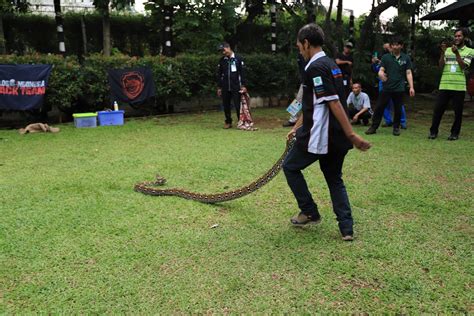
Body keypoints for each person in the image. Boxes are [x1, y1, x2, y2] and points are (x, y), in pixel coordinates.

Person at [283, 23, 371, 242]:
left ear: (306, 43)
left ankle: (309, 211)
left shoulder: (315, 68)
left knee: (290, 167)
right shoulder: (331, 64)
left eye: (299, 47)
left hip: (321, 136)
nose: (299, 51)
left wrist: (352, 134)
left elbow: (334, 104)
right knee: (334, 178)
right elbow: (315, 104)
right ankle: (346, 228)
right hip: (335, 137)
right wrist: (296, 127)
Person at [429, 28, 474, 141]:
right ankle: (433, 132)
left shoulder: (470, 51)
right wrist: (443, 52)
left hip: (459, 86)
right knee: (438, 110)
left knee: (457, 112)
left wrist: (457, 54)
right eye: (455, 36)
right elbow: (440, 66)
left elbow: (464, 66)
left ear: (465, 37)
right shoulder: (448, 50)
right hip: (444, 85)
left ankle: (454, 133)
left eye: (459, 36)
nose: (457, 38)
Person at [365, 37, 415, 136]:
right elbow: (381, 69)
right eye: (393, 44)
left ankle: (396, 128)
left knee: (398, 108)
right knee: (379, 107)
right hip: (386, 87)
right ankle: (373, 127)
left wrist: (411, 87)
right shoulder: (386, 57)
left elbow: (408, 72)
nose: (395, 46)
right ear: (391, 46)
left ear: (401, 46)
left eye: (398, 44)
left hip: (399, 88)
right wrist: (380, 73)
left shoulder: (406, 58)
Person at [371, 43, 408, 129]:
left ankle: (402, 122)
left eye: (388, 46)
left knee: (398, 104)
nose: (388, 48)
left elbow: (403, 70)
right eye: (386, 47)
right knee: (383, 103)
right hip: (384, 83)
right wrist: (374, 63)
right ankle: (388, 121)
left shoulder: (401, 57)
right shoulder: (384, 56)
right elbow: (377, 69)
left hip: (396, 84)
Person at [216, 42, 247, 129]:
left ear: (228, 48)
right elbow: (219, 74)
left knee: (238, 105)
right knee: (226, 105)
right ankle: (228, 121)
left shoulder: (238, 59)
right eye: (221, 51)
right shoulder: (222, 60)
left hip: (236, 86)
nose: (223, 52)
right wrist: (219, 87)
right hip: (225, 86)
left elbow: (242, 73)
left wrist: (243, 85)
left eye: (224, 50)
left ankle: (240, 122)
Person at [283, 53, 307, 127]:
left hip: (307, 81)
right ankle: (293, 119)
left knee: (298, 100)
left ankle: (293, 119)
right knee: (298, 100)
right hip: (304, 81)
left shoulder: (307, 54)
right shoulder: (300, 55)